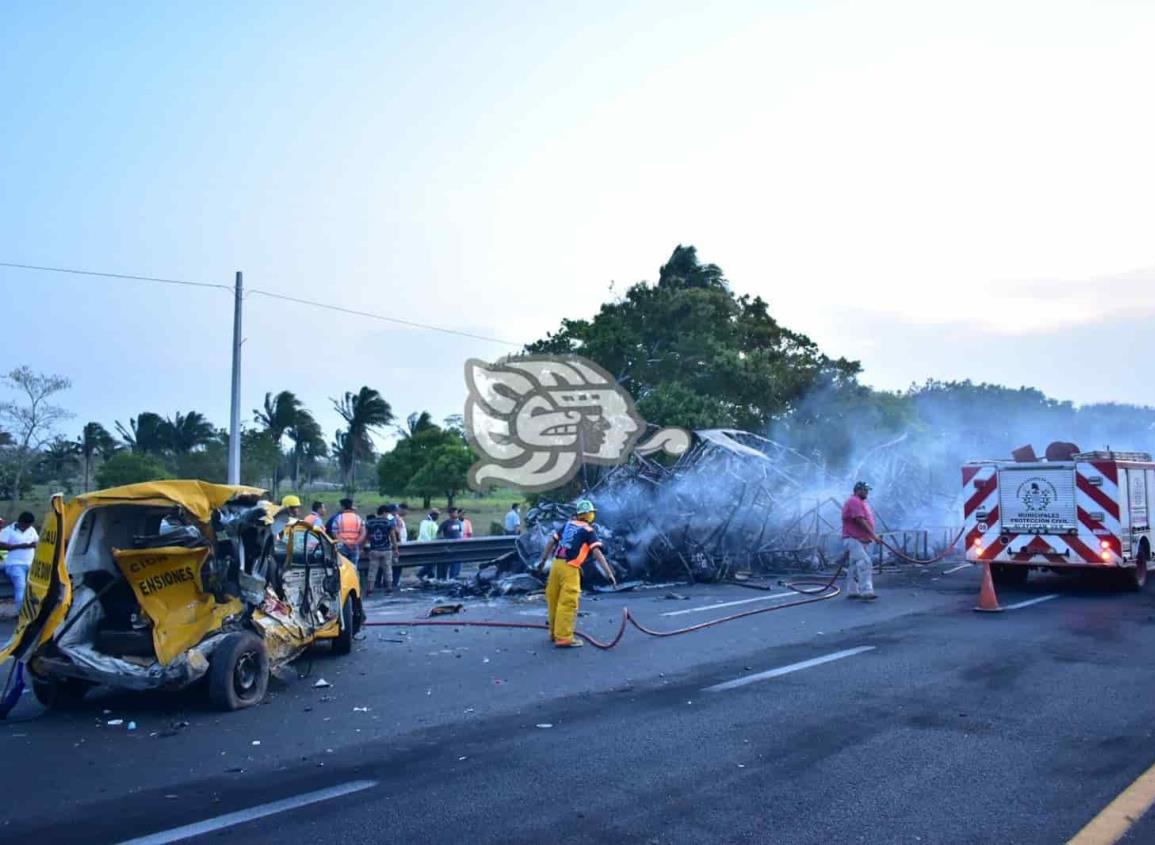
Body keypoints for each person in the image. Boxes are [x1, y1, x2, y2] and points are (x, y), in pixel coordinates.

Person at [537, 499, 616, 648]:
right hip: (570, 567)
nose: (592, 515)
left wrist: (542, 561)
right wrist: (609, 573)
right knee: (568, 601)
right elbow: (597, 552)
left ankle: (554, 633)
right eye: (591, 513)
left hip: (556, 565)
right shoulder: (588, 530)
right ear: (587, 514)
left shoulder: (567, 525)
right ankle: (564, 637)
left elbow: (551, 542)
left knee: (553, 599)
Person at [841, 481, 880, 601]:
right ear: (858, 490)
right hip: (853, 539)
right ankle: (866, 591)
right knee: (865, 562)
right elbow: (859, 519)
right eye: (865, 490)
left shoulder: (861, 502)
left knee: (853, 565)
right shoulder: (854, 501)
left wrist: (869, 536)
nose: (867, 492)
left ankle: (852, 591)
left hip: (859, 539)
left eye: (867, 490)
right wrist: (873, 535)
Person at [1, 512, 39, 609]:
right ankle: (21, 612)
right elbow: (2, 545)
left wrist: (35, 545)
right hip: (15, 564)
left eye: (29, 525)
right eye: (26, 525)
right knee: (20, 587)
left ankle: (32, 611)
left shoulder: (32, 530)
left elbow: (37, 541)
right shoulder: (8, 531)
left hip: (30, 563)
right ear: (20, 522)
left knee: (33, 589)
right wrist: (23, 546)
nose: (27, 527)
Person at [330, 498, 367, 586]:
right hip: (354, 547)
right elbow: (363, 532)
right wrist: (356, 543)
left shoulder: (339, 518)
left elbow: (334, 532)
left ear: (343, 507)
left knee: (342, 568)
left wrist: (344, 542)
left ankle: (343, 586)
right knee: (353, 567)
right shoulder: (358, 518)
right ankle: (353, 586)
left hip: (342, 546)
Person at [365, 505, 400, 596]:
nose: (388, 515)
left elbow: (366, 536)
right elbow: (393, 537)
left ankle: (370, 591)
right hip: (386, 549)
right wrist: (396, 549)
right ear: (384, 512)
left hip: (374, 549)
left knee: (372, 570)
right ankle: (389, 589)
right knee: (388, 570)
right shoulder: (388, 523)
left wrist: (362, 547)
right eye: (387, 513)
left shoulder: (370, 522)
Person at [438, 507, 465, 579]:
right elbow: (439, 533)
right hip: (448, 547)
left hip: (457, 547)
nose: (457, 514)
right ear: (450, 513)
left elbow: (460, 533)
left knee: (456, 564)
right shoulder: (445, 523)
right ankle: (442, 578)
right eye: (455, 513)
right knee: (445, 565)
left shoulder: (458, 523)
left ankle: (453, 578)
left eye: (457, 512)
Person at [416, 508, 440, 580]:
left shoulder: (433, 523)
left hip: (433, 546)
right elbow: (424, 534)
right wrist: (430, 543)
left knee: (432, 563)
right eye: (436, 515)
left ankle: (430, 577)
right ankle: (420, 574)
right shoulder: (425, 523)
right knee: (430, 563)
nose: (437, 517)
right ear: (432, 515)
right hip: (426, 546)